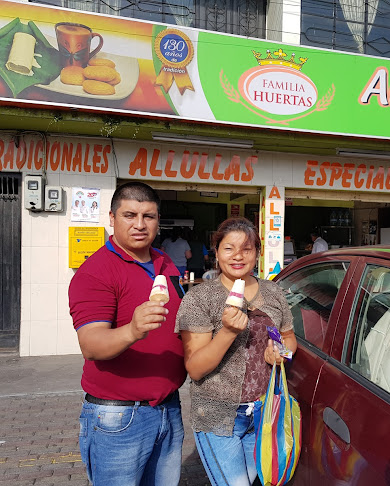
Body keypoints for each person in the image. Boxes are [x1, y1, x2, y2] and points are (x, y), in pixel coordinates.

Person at [68, 181, 187, 485]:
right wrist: (133, 330)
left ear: (158, 222)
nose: (139, 224)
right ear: (111, 218)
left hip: (168, 409)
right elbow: (91, 345)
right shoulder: (96, 271)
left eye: (148, 216)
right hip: (119, 418)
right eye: (129, 215)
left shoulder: (165, 262)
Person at [175, 217, 297, 486]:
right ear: (216, 253)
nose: (238, 256)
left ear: (257, 253)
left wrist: (281, 354)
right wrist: (228, 332)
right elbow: (195, 368)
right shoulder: (199, 298)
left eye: (247, 248)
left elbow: (288, 337)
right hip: (217, 414)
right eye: (229, 248)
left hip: (265, 412)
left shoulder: (273, 292)